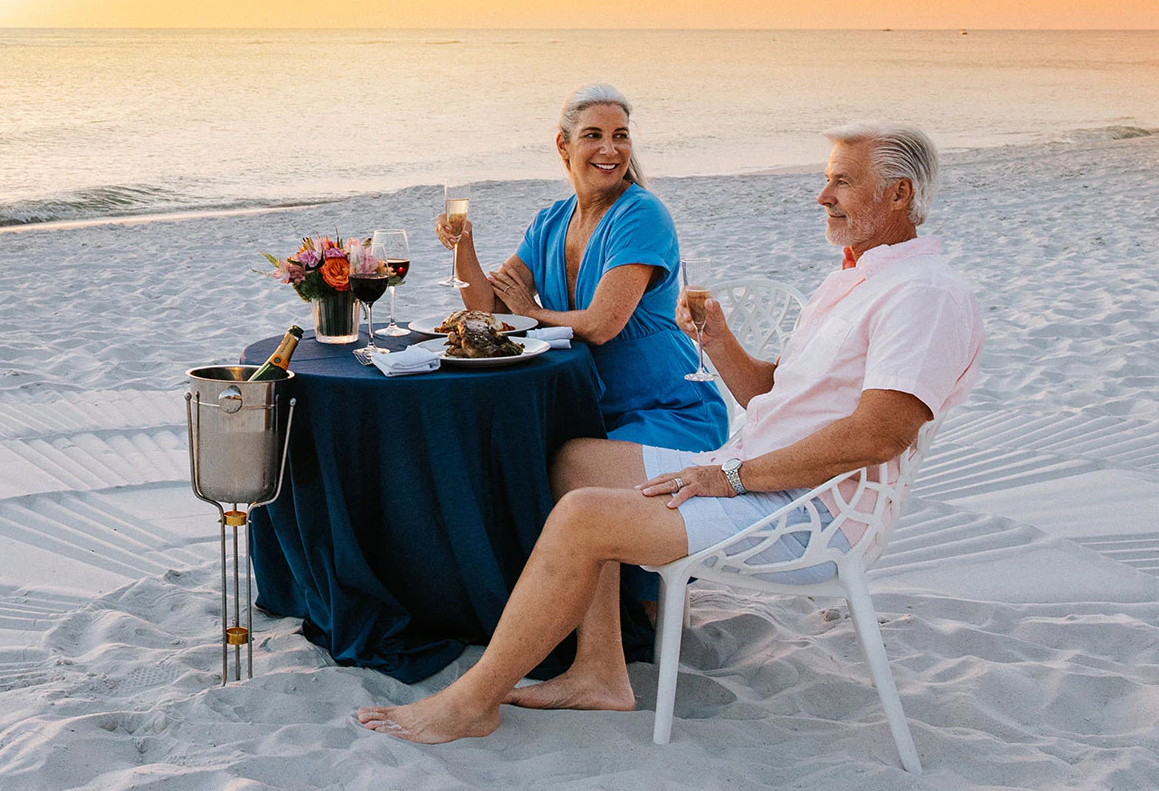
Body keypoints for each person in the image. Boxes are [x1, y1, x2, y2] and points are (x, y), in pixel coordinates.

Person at [364, 121, 983, 744]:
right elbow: (773, 396)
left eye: (842, 183)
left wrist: (729, 477)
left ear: (899, 194)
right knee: (579, 462)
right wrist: (717, 340)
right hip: (766, 476)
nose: (823, 196)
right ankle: (600, 672)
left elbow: (880, 436)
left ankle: (472, 701)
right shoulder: (855, 276)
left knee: (583, 517)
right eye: (826, 180)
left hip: (808, 513)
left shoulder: (923, 294)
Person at [439, 83, 726, 453]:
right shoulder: (549, 222)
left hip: (670, 412)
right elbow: (488, 310)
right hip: (589, 414)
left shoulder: (641, 215)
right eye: (593, 135)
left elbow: (601, 326)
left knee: (555, 468)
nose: (610, 149)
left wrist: (529, 311)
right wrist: (463, 242)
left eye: (620, 136)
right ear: (563, 145)